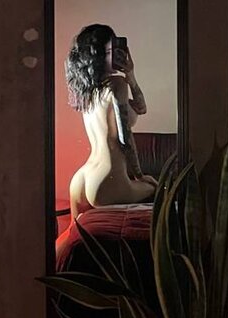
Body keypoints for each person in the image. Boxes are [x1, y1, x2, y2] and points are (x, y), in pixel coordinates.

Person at [64, 24, 158, 220]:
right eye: (108, 52)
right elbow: (125, 138)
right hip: (107, 179)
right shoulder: (117, 84)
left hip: (82, 178)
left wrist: (131, 75)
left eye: (115, 50)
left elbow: (141, 108)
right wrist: (140, 176)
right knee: (158, 189)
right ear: (96, 57)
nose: (114, 56)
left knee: (73, 236)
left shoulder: (89, 91)